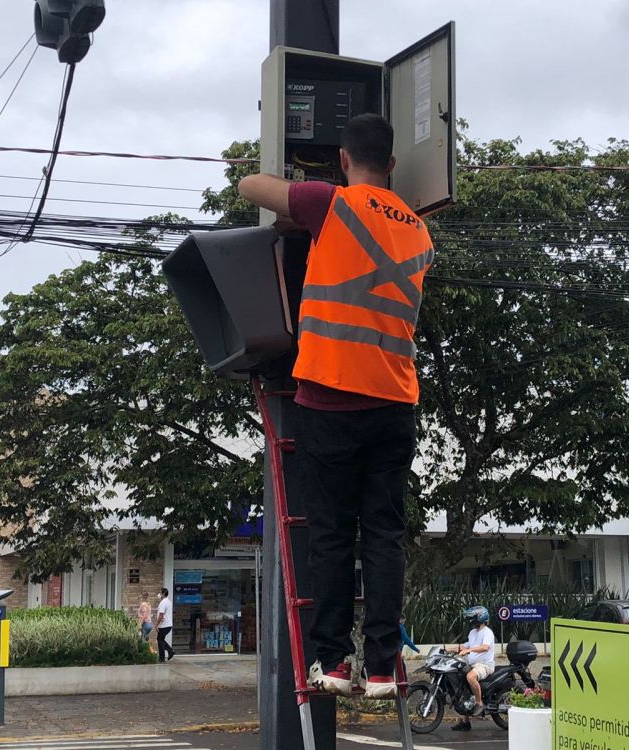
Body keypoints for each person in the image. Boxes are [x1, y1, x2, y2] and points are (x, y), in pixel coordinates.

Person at [238, 113, 434, 701]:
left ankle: (333, 662)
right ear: (393, 165)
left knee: (328, 535)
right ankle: (380, 668)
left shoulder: (333, 205)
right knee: (382, 536)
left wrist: (299, 200)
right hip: (395, 402)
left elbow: (249, 185)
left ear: (345, 161)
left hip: (329, 397)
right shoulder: (421, 234)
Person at [451, 605, 496, 732]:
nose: (469, 620)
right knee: (462, 687)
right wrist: (447, 650)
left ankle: (479, 703)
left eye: (472, 618)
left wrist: (469, 650)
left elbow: (485, 647)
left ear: (480, 618)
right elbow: (465, 646)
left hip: (485, 665)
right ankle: (465, 722)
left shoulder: (487, 632)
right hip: (473, 664)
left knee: (470, 677)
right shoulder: (472, 633)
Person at [155, 587, 175, 662]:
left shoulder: (163, 603)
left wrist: (156, 625)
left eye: (160, 593)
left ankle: (162, 657)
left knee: (160, 640)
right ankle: (170, 651)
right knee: (161, 639)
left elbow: (161, 615)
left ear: (163, 594)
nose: (159, 594)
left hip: (164, 625)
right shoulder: (168, 602)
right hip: (168, 624)